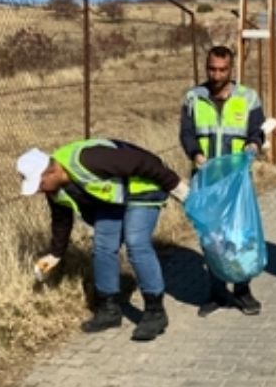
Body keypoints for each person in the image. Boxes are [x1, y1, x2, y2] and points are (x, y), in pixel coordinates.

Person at [16, 138, 189, 342]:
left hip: (142, 187)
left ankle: (155, 312)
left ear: (52, 171)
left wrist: (177, 188)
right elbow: (61, 220)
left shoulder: (90, 159)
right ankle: (109, 309)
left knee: (136, 242)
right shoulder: (53, 188)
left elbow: (143, 161)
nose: (39, 190)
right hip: (113, 196)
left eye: (39, 184)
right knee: (102, 246)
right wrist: (55, 254)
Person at [179, 45, 266, 317]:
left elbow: (257, 132)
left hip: (236, 181)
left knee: (239, 235)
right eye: (212, 69)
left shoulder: (249, 98)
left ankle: (242, 290)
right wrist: (195, 154)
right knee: (212, 238)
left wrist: (254, 145)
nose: (216, 75)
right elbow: (186, 133)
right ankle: (216, 292)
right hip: (207, 181)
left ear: (231, 69)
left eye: (222, 69)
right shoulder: (193, 98)